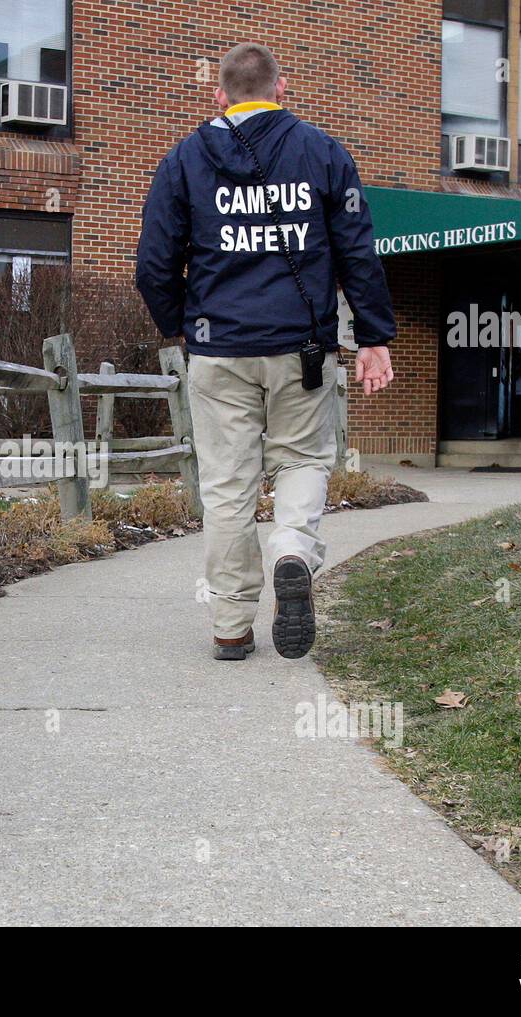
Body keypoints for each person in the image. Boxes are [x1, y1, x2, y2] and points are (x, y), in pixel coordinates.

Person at [136, 42, 395, 661]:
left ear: (219, 95)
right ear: (281, 91)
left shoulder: (183, 161)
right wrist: (373, 336)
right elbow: (357, 250)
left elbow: (152, 265)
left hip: (218, 349)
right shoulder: (325, 153)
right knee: (303, 459)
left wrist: (184, 325)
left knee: (227, 488)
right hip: (300, 347)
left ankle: (229, 626)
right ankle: (291, 552)